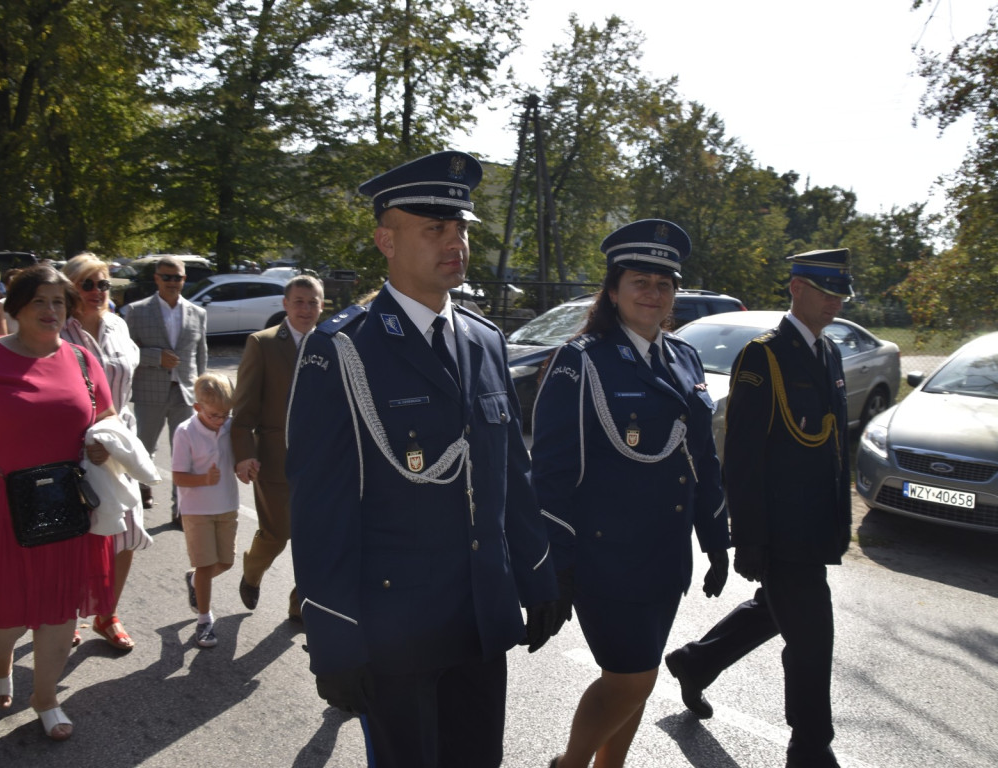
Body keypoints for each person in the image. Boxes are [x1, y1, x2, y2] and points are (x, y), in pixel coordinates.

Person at [286, 150, 559, 768]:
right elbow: (321, 509)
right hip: (394, 629)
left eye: (460, 228)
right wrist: (333, 639)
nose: (454, 242)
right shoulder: (343, 350)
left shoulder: (486, 341)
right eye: (434, 229)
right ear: (386, 239)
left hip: (481, 619)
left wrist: (538, 577)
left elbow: (510, 474)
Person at [531, 220, 730, 768]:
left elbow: (702, 460)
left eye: (664, 284)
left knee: (636, 678)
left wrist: (716, 539)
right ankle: (570, 764)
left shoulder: (684, 358)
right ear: (613, 290)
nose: (653, 293)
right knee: (632, 676)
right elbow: (550, 472)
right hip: (606, 557)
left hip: (666, 557)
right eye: (639, 281)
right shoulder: (581, 360)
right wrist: (558, 564)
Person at [663, 249, 853, 768]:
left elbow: (835, 449)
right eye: (825, 291)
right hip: (782, 530)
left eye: (841, 294)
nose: (835, 302)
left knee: (776, 610)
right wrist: (746, 536)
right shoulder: (764, 356)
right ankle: (811, 748)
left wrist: (842, 521)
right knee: (813, 640)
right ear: (796, 288)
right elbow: (743, 457)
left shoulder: (829, 353)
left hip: (817, 528)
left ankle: (694, 662)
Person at [0, 265, 117, 740]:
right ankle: (0, 659)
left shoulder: (80, 359)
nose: (51, 310)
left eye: (59, 301)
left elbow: (108, 416)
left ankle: (46, 697)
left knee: (60, 611)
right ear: (15, 306)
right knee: (4, 621)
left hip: (64, 508)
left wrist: (102, 442)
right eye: (39, 300)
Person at [61, 254, 151, 651]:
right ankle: (67, 612)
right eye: (87, 284)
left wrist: (115, 438)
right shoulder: (57, 330)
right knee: (77, 538)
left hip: (119, 444)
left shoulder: (118, 324)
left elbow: (124, 386)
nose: (97, 292)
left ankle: (107, 613)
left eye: (103, 284)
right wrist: (85, 442)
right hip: (72, 450)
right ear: (70, 289)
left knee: (127, 535)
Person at [231, 275, 324, 622]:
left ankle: (300, 603)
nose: (306, 308)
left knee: (314, 536)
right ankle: (252, 572)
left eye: (312, 302)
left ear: (321, 306)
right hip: (274, 459)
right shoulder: (263, 343)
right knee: (277, 534)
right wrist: (243, 454)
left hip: (320, 462)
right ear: (285, 305)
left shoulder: (333, 344)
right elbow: (243, 411)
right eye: (299, 301)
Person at [123, 255, 208, 527]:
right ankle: (142, 488)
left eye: (178, 277)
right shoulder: (137, 311)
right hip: (149, 391)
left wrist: (203, 391)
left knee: (184, 454)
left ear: (184, 279)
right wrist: (154, 356)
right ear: (157, 278)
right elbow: (127, 350)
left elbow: (200, 354)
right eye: (166, 277)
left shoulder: (198, 313)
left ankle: (180, 509)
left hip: (184, 392)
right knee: (143, 448)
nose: (172, 282)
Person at [171, 373, 239, 649]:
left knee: (226, 562)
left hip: (227, 505)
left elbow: (238, 457)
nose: (220, 421)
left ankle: (195, 579)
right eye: (214, 415)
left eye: (225, 414)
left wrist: (247, 466)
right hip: (196, 509)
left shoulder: (230, 427)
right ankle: (204, 620)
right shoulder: (185, 432)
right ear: (197, 407)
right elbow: (178, 476)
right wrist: (203, 480)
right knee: (206, 564)